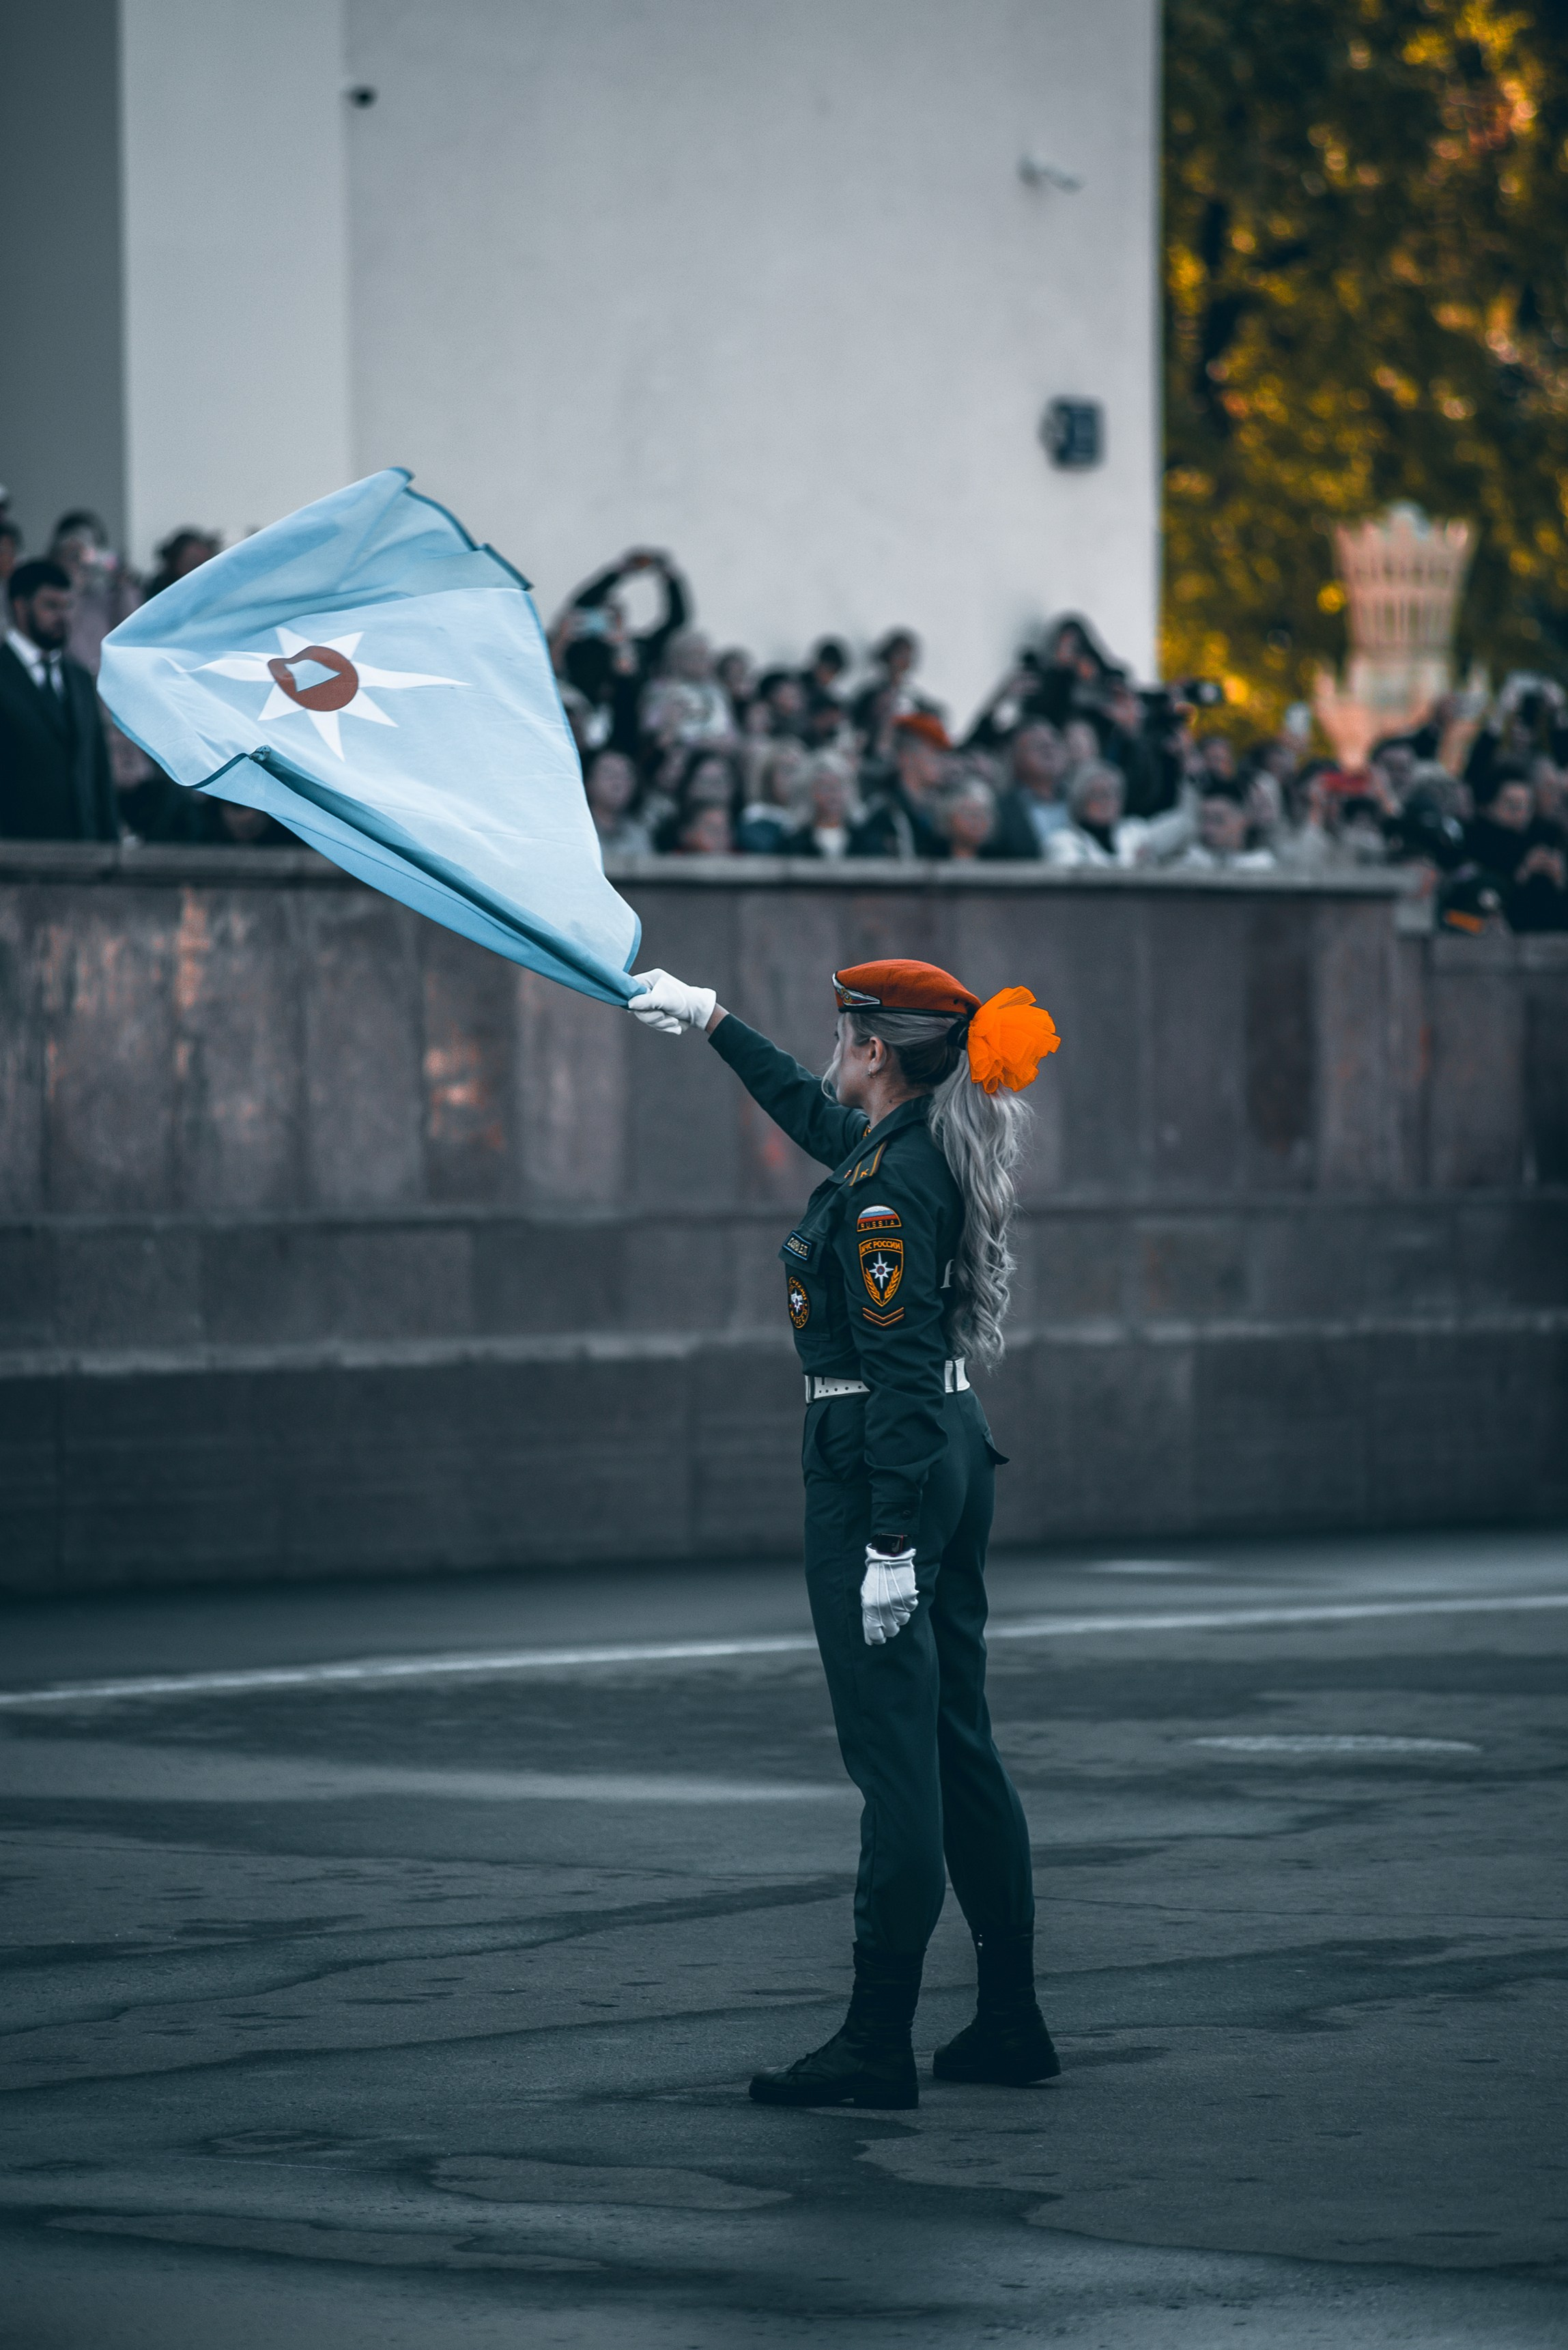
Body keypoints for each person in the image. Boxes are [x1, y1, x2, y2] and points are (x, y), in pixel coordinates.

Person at [627, 957, 1064, 2107]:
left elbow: (898, 1372)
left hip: (882, 1459)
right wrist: (713, 1020)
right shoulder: (910, 1143)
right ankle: (1009, 2019)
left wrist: (886, 1546)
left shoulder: (885, 1190)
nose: (831, 1052)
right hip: (944, 1447)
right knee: (956, 1737)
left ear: (874, 1049)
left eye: (841, 1035)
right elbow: (817, 1118)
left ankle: (876, 2043)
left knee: (895, 1756)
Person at [0, 558, 119, 840]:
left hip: (85, 846)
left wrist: (109, 842)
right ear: (20, 606)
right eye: (51, 606)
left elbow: (98, 770)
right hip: (18, 849)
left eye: (67, 606)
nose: (63, 616)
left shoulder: (79, 678)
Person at [851, 712, 950, 860]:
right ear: (906, 758)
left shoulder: (933, 814)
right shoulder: (884, 814)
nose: (942, 762)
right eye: (933, 753)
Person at [990, 721, 1071, 857]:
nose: (1049, 750)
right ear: (1016, 758)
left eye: (1054, 744)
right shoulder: (999, 811)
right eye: (1038, 746)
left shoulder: (1083, 800)